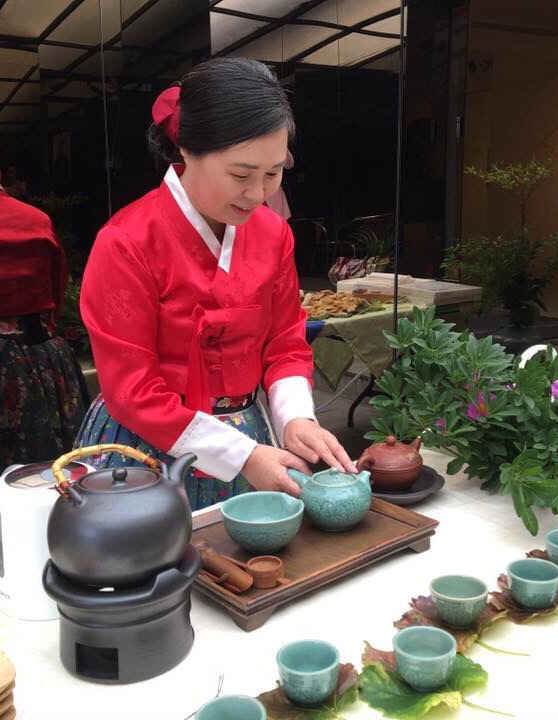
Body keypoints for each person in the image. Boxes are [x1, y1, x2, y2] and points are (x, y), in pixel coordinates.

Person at [76, 57, 356, 510]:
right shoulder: (127, 242)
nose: (258, 194)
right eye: (241, 174)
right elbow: (132, 390)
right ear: (186, 150)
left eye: (273, 173)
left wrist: (295, 418)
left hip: (254, 439)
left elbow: (285, 344)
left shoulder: (273, 234)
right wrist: (240, 454)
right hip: (145, 446)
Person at [0, 173, 89, 470]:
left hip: (20, 360)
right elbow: (58, 282)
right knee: (51, 473)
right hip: (40, 355)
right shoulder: (36, 219)